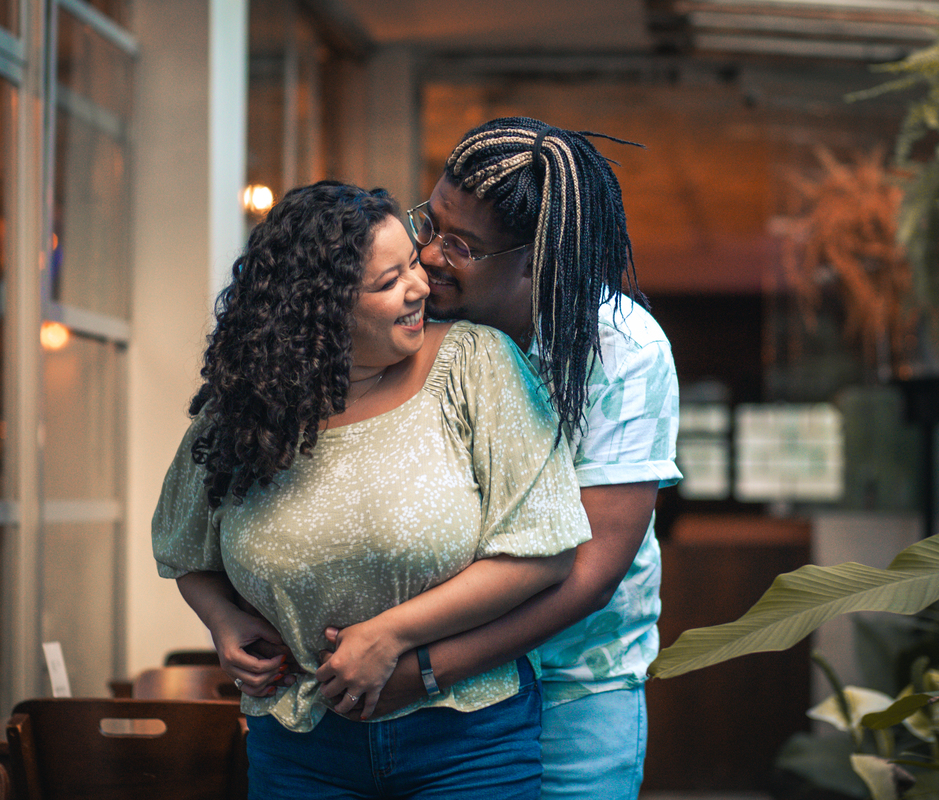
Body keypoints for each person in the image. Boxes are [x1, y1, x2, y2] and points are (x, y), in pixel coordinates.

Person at [152, 180, 592, 799]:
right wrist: (223, 620)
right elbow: (185, 549)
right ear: (319, 309)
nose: (421, 286)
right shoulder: (242, 413)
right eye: (389, 283)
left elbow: (545, 552)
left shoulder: (476, 363)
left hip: (465, 739)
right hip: (298, 739)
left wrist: (392, 635)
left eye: (412, 262)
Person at [330, 118, 683, 800]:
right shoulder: (420, 326)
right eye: (428, 224)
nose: (428, 256)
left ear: (538, 259)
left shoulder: (622, 351)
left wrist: (426, 666)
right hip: (422, 692)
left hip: (569, 690)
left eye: (460, 246)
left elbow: (591, 571)